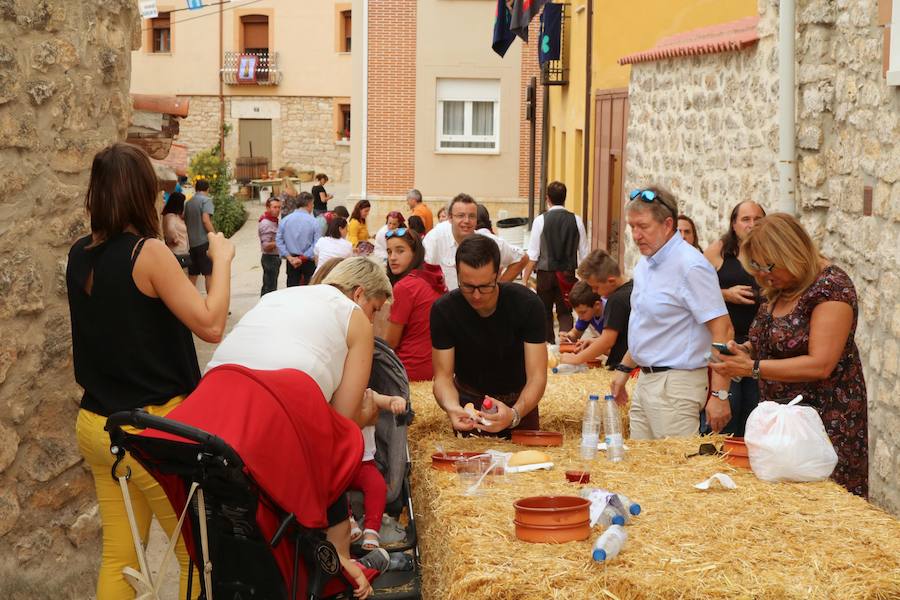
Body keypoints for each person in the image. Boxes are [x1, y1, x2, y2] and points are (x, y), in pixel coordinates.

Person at [67, 143, 233, 600]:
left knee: (120, 558)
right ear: (141, 192)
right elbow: (212, 324)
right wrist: (221, 262)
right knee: (195, 558)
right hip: (151, 430)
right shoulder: (149, 253)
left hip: (97, 425)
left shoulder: (80, 253)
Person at [206, 257, 394, 596]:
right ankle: (337, 564)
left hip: (211, 406)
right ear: (360, 294)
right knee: (335, 442)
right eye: (374, 308)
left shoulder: (279, 297)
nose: (372, 318)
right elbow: (340, 420)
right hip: (271, 417)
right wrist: (364, 419)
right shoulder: (353, 318)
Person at [710, 214, 868, 497]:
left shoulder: (831, 288)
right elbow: (767, 342)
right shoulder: (779, 286)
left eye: (766, 266)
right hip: (781, 424)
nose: (760, 276)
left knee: (822, 506)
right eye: (755, 268)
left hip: (823, 426)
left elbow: (820, 364)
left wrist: (753, 368)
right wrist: (742, 352)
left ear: (791, 254)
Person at [609, 186, 733, 439]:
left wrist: (720, 394)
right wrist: (624, 370)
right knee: (641, 471)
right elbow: (649, 326)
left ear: (667, 225)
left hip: (677, 385)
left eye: (643, 226)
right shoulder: (646, 263)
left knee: (675, 472)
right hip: (646, 379)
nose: (635, 234)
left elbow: (723, 329)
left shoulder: (691, 266)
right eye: (631, 226)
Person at [431, 235, 547, 436]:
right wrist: (452, 407)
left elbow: (537, 376)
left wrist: (514, 415)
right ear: (457, 275)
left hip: (519, 402)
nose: (476, 295)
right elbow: (442, 378)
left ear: (498, 274)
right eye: (467, 286)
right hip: (469, 402)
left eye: (485, 286)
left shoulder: (527, 305)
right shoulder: (444, 310)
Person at [703, 200, 767, 436]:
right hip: (727, 342)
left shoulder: (771, 253)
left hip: (760, 346)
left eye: (757, 219)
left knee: (755, 412)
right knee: (728, 408)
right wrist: (726, 294)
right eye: (746, 219)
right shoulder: (720, 250)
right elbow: (694, 289)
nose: (752, 225)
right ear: (734, 224)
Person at [522, 181, 590, 344]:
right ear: (565, 198)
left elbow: (533, 254)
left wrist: (524, 279)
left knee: (544, 311)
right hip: (567, 274)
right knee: (565, 312)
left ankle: (548, 347)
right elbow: (585, 253)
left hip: (545, 275)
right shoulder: (576, 220)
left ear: (547, 198)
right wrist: (587, 280)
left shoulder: (540, 221)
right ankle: (565, 346)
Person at [424, 193, 525, 290]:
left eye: (472, 216)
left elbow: (521, 257)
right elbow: (421, 274)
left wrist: (497, 289)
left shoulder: (488, 242)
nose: (467, 220)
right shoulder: (435, 238)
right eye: (461, 215)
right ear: (450, 218)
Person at [383, 228, 447, 380]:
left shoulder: (405, 287)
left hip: (408, 369)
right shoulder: (432, 278)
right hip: (436, 366)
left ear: (415, 253)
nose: (392, 257)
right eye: (389, 251)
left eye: (400, 251)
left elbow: (391, 342)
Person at [350, 388, 407, 551]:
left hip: (364, 463)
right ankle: (347, 522)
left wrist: (395, 401)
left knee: (377, 486)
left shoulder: (368, 395)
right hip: (338, 463)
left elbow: (386, 400)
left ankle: (372, 530)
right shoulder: (331, 396)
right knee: (329, 486)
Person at [561, 249, 633, 369]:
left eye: (596, 287)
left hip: (624, 368)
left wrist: (576, 359)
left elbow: (607, 341)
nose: (594, 291)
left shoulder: (616, 300)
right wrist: (594, 342)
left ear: (611, 281)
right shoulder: (633, 288)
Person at [276, 192, 320, 286]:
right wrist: (302, 258)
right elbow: (317, 243)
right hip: (307, 261)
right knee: (309, 290)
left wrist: (288, 257)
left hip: (291, 261)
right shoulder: (314, 222)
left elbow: (279, 240)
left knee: (292, 289)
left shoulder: (285, 220)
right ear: (309, 204)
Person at [183, 179, 216, 289]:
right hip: (203, 243)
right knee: (209, 274)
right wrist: (215, 236)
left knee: (193, 275)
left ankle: (188, 301)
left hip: (191, 244)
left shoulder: (188, 203)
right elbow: (206, 220)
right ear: (208, 189)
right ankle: (211, 302)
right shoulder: (206, 200)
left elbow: (185, 220)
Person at [258, 196, 282, 296]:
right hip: (270, 259)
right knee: (269, 289)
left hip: (274, 258)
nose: (277, 210)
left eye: (279, 207)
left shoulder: (273, 220)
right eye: (274, 207)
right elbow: (266, 246)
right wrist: (280, 241)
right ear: (268, 208)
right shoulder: (266, 223)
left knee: (270, 286)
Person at [161, 191, 189, 272]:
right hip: (177, 252)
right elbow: (170, 230)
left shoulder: (173, 216)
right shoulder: (171, 217)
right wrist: (176, 239)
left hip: (180, 251)